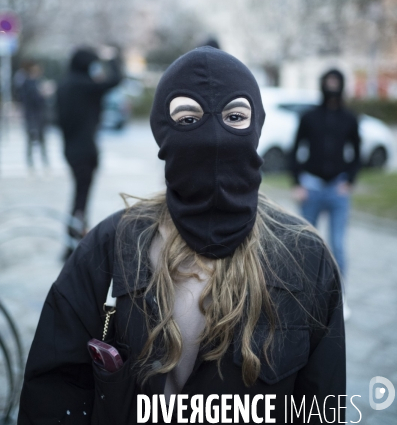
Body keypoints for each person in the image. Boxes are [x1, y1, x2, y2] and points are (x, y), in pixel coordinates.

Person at [19, 47, 345, 425]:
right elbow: (54, 393)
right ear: (162, 130)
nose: (213, 136)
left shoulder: (304, 255)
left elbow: (322, 404)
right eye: (188, 118)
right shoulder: (107, 249)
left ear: (256, 126)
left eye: (235, 116)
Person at [290, 68, 361, 285]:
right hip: (310, 187)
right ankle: (305, 290)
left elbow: (357, 153)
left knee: (338, 244)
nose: (332, 86)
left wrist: (349, 181)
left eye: (335, 82)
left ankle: (339, 295)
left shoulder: (350, 119)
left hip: (337, 187)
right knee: (306, 243)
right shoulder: (309, 117)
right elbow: (294, 150)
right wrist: (297, 183)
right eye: (328, 81)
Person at [56, 46, 122, 257]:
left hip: (70, 148)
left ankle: (73, 240)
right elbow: (115, 80)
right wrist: (112, 58)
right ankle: (72, 243)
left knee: (79, 196)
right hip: (86, 150)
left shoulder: (64, 85)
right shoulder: (85, 85)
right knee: (81, 198)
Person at [19, 62, 48, 173]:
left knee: (42, 140)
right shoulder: (27, 83)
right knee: (31, 141)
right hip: (31, 115)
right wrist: (41, 93)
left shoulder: (38, 81)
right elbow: (27, 98)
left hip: (39, 115)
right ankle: (31, 165)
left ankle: (44, 164)